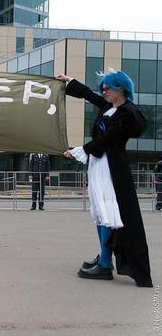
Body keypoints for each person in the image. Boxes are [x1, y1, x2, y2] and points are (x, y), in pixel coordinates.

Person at [58, 69, 153, 287]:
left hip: (112, 170)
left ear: (122, 89)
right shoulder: (109, 107)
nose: (104, 91)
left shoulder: (128, 113)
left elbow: (109, 138)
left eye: (108, 87)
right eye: (103, 87)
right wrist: (70, 81)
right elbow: (89, 95)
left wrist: (78, 151)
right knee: (101, 213)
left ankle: (104, 264)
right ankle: (104, 258)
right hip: (99, 165)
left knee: (110, 213)